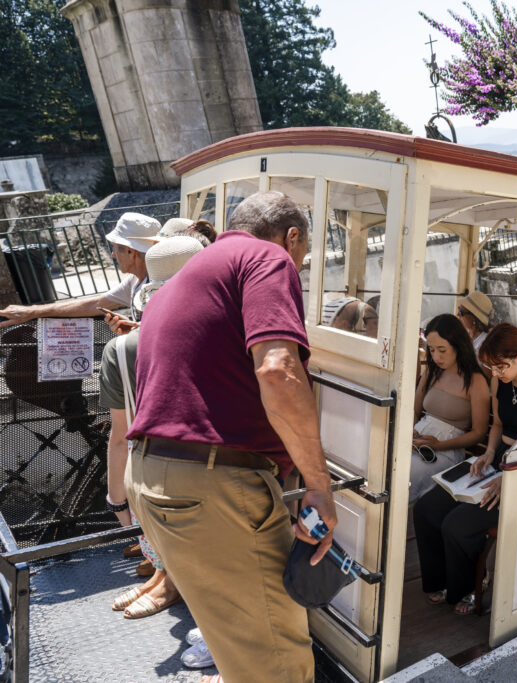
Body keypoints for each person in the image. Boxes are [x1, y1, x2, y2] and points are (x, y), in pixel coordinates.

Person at [124, 191, 336, 683]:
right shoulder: (267, 258)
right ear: (293, 237)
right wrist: (319, 485)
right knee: (276, 662)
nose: (298, 266)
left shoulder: (182, 281)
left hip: (154, 478)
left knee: (235, 641)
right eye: (301, 256)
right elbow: (279, 371)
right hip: (212, 485)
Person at [413, 323, 517, 615]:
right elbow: (499, 425)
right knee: (426, 509)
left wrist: (511, 475)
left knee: (457, 524)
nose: (495, 373)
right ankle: (439, 579)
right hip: (497, 458)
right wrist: (490, 451)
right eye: (491, 367)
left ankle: (471, 583)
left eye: (501, 366)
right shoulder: (498, 380)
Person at [100, 237, 206, 622]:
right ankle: (167, 578)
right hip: (217, 465)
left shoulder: (124, 349)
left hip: (154, 468)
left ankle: (167, 578)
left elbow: (119, 435)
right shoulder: (226, 336)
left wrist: (118, 502)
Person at [0, 212, 161, 328]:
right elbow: (94, 304)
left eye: (114, 249)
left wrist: (134, 331)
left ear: (130, 252)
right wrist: (31, 312)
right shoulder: (134, 281)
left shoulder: (160, 282)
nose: (112, 255)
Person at [409, 314, 490, 501]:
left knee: (404, 475)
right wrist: (411, 430)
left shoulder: (475, 381)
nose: (436, 356)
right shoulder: (432, 371)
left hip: (448, 448)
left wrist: (439, 445)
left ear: (457, 346)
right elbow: (414, 409)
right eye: (431, 350)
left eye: (442, 350)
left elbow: (478, 432)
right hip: (420, 438)